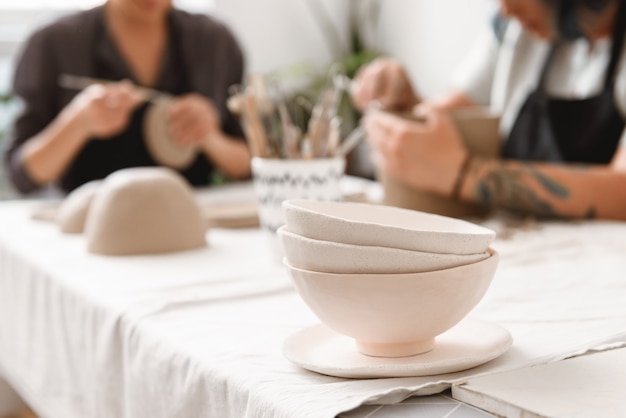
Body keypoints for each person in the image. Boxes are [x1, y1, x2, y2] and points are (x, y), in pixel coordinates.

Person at [352, 0, 626, 221]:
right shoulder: (515, 30)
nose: (505, 9)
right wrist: (405, 103)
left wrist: (465, 174)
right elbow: (445, 119)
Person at [3, 0, 251, 195]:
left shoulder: (215, 43)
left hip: (188, 225)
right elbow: (23, 174)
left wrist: (209, 137)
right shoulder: (54, 43)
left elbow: (250, 164)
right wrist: (77, 123)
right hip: (86, 234)